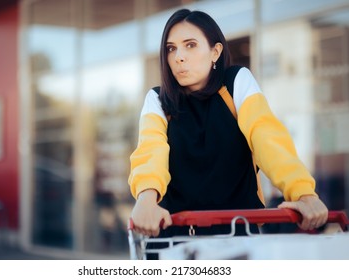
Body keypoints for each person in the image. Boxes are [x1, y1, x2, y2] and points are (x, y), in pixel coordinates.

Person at [128, 9, 328, 240]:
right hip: (175, 240)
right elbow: (150, 151)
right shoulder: (157, 99)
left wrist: (304, 194)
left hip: (238, 236)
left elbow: (267, 137)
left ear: (215, 51)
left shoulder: (236, 82)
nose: (178, 57)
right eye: (171, 48)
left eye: (190, 45)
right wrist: (145, 199)